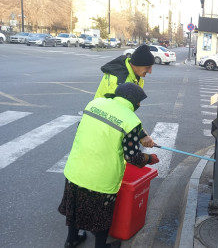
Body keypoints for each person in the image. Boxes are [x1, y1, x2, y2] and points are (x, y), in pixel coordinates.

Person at [59, 83, 160, 248]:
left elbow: (83, 129)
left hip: (76, 168)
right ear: (132, 100)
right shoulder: (131, 121)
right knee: (101, 216)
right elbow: (133, 157)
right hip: (101, 177)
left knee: (75, 205)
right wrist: (150, 158)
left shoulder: (94, 104)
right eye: (139, 101)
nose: (140, 105)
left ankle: (71, 240)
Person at [94, 43, 155, 149]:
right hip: (104, 125)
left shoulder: (132, 75)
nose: (150, 71)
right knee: (112, 156)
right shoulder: (120, 81)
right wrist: (141, 135)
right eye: (147, 67)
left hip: (109, 122)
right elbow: (119, 113)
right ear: (137, 64)